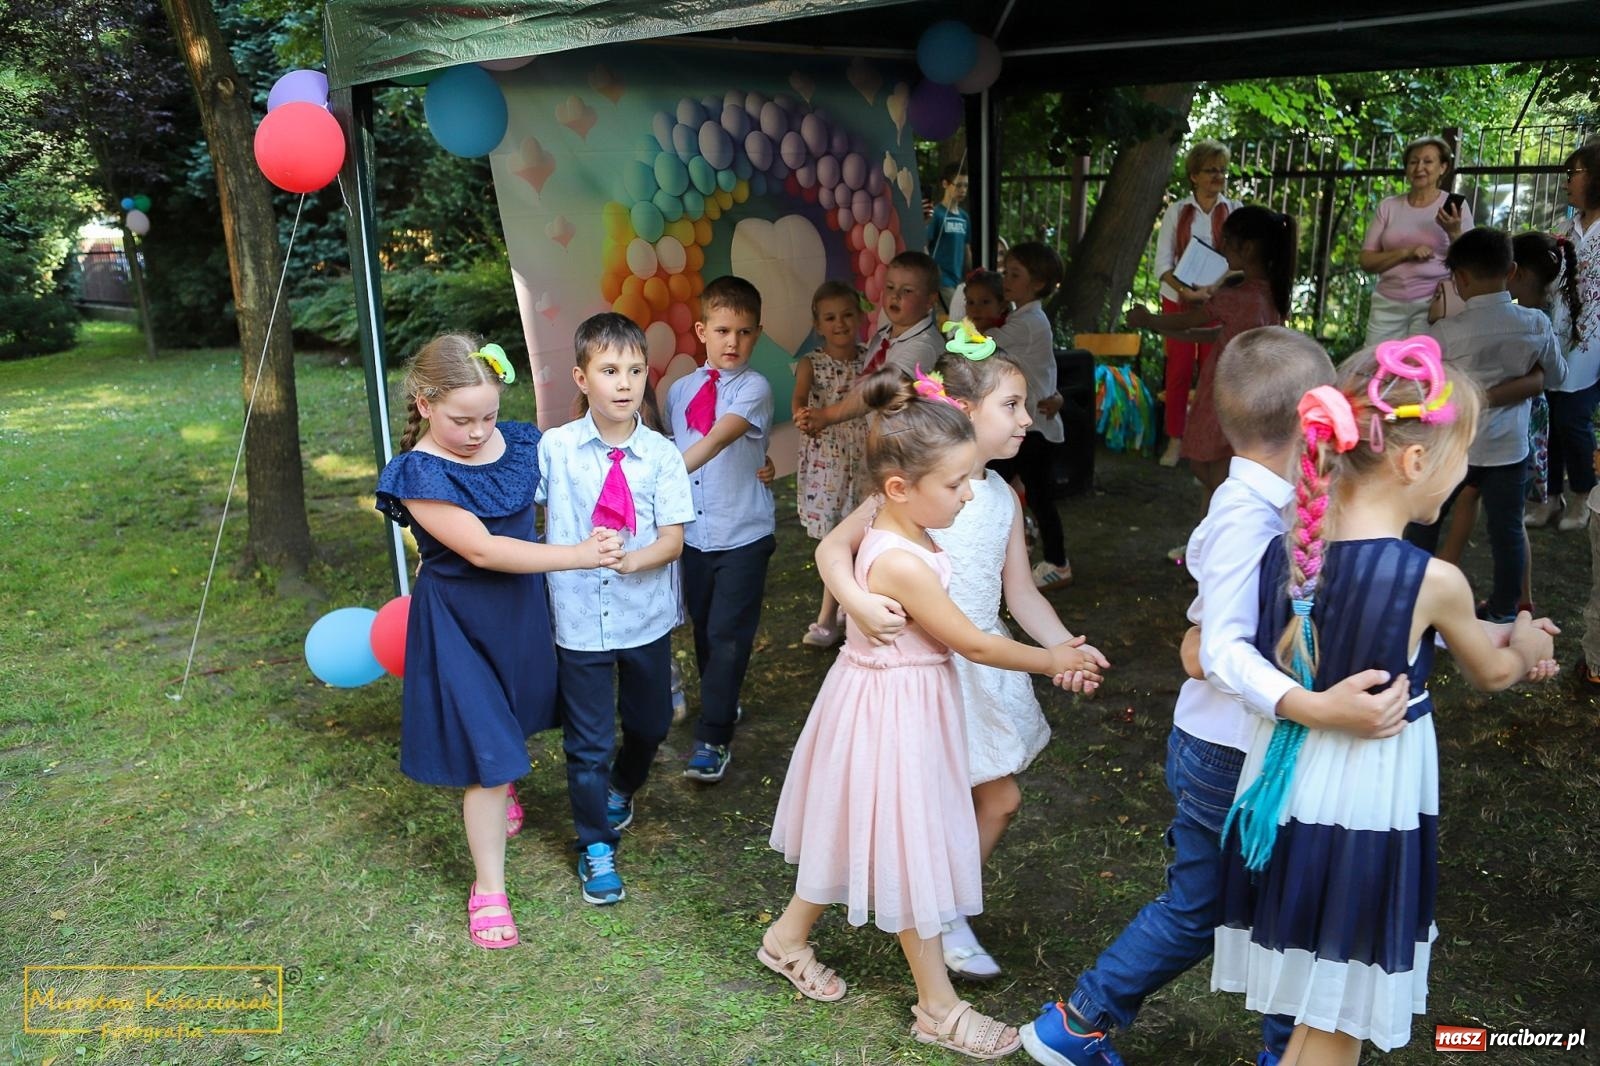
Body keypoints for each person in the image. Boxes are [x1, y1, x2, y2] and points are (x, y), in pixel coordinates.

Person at [1021, 327, 1417, 1066]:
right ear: (1310, 417)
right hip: (1231, 757)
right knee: (1262, 908)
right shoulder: (1246, 517)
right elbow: (1221, 653)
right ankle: (1110, 1029)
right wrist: (1311, 706)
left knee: (1228, 903)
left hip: (1237, 752)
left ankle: (1080, 1026)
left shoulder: (1273, 500)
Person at [1212, 337, 1558, 1062]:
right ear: (1413, 462)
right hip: (1368, 805)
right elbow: (1492, 673)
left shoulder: (1289, 553)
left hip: (1297, 792)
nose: (1464, 474)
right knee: (1341, 1013)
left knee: (1320, 999)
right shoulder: (1433, 580)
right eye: (1461, 458)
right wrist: (1526, 637)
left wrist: (1498, 634)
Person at [760, 369, 1093, 1061]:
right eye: (955, 485)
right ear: (900, 489)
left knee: (868, 829)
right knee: (909, 848)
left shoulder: (905, 521)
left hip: (901, 702)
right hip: (890, 712)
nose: (969, 494)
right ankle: (939, 1008)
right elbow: (969, 640)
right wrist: (1052, 661)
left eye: (971, 479)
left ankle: (787, 938)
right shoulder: (903, 558)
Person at [816, 342, 1110, 982]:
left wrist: (1064, 650)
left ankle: (944, 907)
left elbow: (1022, 592)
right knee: (941, 805)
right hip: (928, 669)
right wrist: (856, 603)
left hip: (983, 667)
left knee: (998, 801)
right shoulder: (915, 488)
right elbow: (832, 554)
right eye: (1012, 405)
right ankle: (932, 913)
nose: (1026, 418)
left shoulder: (1001, 495)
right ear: (965, 410)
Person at [374, 333, 624, 944]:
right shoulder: (417, 473)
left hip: (520, 612)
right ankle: (489, 889)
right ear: (425, 402)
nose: (480, 431)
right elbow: (483, 549)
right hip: (459, 621)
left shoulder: (519, 443)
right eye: (463, 419)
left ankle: (503, 777)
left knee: (518, 713)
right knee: (486, 759)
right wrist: (577, 555)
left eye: (489, 415)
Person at [536, 313, 694, 906]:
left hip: (644, 617)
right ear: (581, 377)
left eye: (633, 370)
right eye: (608, 370)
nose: (624, 383)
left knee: (652, 723)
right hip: (577, 621)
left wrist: (637, 560)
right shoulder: (556, 450)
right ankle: (595, 845)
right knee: (589, 742)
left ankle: (624, 785)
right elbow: (514, 505)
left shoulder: (662, 456)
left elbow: (674, 539)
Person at [1407, 228, 1560, 623]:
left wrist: (1431, 322)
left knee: (1426, 520)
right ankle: (1506, 610)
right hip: (1508, 448)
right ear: (1511, 271)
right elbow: (1556, 376)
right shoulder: (1536, 323)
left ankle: (1414, 598)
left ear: (1459, 279)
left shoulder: (1446, 332)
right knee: (1507, 530)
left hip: (1456, 445)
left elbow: (1426, 386)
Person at [665, 276, 776, 783]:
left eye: (746, 332)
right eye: (724, 330)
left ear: (757, 335)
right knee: (707, 631)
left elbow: (714, 441)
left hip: (743, 534)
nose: (734, 342)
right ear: (701, 330)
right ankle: (721, 704)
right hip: (693, 536)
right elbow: (676, 441)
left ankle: (712, 739)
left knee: (729, 634)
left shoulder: (754, 387)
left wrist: (657, 484)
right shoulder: (681, 390)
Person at [1128, 205, 1298, 525]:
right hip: (1248, 394)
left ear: (1246, 248)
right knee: (1219, 465)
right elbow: (1217, 334)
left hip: (1227, 392)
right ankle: (1207, 539)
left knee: (1212, 469)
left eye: (1227, 242)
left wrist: (1147, 318)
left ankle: (1236, 530)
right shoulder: (1270, 295)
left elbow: (1193, 320)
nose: (1220, 249)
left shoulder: (1238, 296)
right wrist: (1157, 326)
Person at [990, 241, 1072, 590]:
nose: (1005, 279)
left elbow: (984, 342)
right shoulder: (1023, 317)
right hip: (1031, 423)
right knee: (1009, 488)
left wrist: (953, 330)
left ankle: (1057, 562)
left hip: (1034, 428)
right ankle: (1025, 547)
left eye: (1015, 274)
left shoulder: (1027, 322)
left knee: (1015, 490)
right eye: (1005, 272)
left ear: (1037, 283)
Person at [1152, 139, 1238, 467]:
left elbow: (1238, 261)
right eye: (1211, 170)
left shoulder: (1234, 211)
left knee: (1215, 372)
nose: (1218, 176)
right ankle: (1175, 440)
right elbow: (1162, 265)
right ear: (1193, 175)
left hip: (1219, 302)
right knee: (1178, 371)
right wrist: (1186, 292)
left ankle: (1209, 443)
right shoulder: (1177, 211)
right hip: (1179, 301)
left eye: (1222, 170)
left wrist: (1215, 288)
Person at [793, 251, 945, 435]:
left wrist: (827, 415)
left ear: (930, 300)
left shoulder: (924, 345)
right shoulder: (881, 337)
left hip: (913, 449)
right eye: (890, 287)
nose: (895, 296)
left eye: (907, 291)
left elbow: (880, 390)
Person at [793, 280, 867, 648]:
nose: (840, 323)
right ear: (818, 325)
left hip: (864, 459)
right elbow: (799, 398)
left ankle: (842, 611)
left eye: (847, 315)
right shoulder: (812, 363)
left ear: (860, 317)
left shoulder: (871, 359)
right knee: (835, 538)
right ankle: (834, 614)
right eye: (830, 318)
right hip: (829, 464)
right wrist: (802, 415)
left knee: (860, 535)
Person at [1537, 141, 1600, 533]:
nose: (1567, 182)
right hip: (1557, 339)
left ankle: (1582, 495)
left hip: (1592, 346)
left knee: (1573, 417)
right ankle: (1549, 498)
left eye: (1573, 173)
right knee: (1551, 417)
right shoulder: (1566, 227)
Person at [1359, 135, 1473, 344]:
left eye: (1428, 161)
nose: (1420, 167)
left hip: (1433, 304)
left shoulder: (1456, 207)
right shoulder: (1389, 206)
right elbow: (1366, 261)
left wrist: (1454, 232)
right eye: (1413, 161)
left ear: (1443, 167)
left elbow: (1471, 262)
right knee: (1374, 366)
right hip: (1386, 303)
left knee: (1419, 368)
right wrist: (1405, 253)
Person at [928, 162, 974, 311]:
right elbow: (926, 246)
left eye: (966, 186)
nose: (963, 190)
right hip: (942, 281)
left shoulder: (964, 217)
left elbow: (966, 249)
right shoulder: (936, 214)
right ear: (945, 184)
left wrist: (971, 274)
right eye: (958, 185)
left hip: (959, 281)